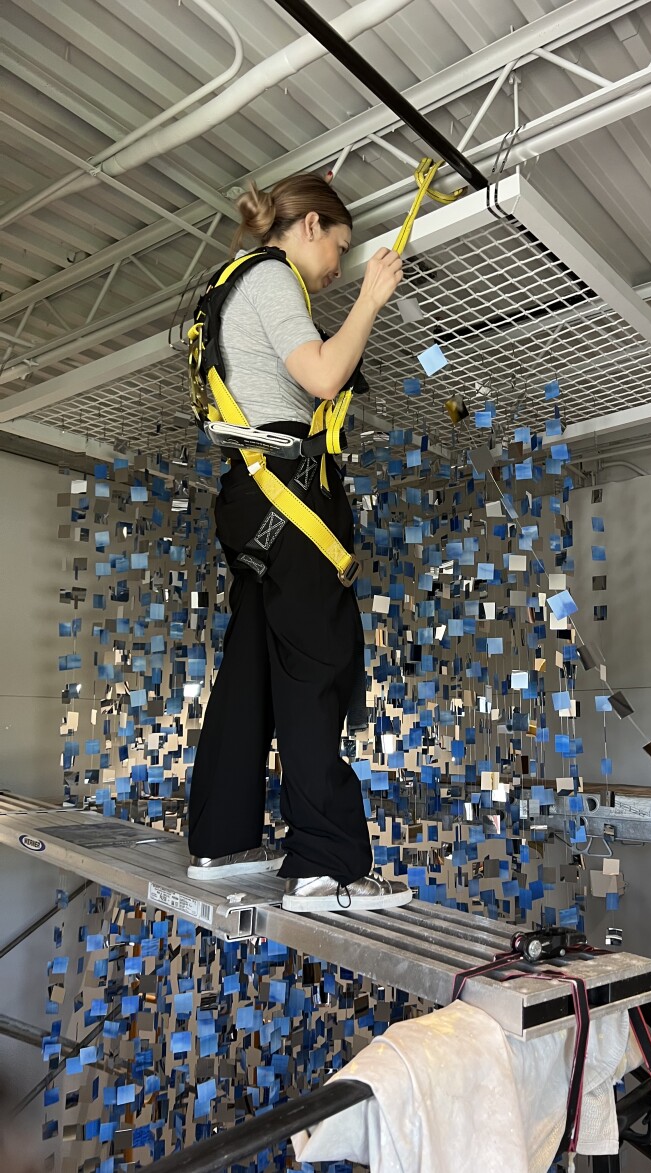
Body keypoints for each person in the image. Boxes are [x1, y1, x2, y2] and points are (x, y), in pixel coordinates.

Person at [187, 172, 411, 913]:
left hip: (252, 499)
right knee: (319, 659)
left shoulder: (227, 286)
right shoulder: (273, 276)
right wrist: (373, 300)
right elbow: (320, 375)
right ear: (309, 226)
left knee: (253, 662)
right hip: (290, 490)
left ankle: (222, 838)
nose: (339, 269)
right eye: (339, 248)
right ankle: (327, 863)